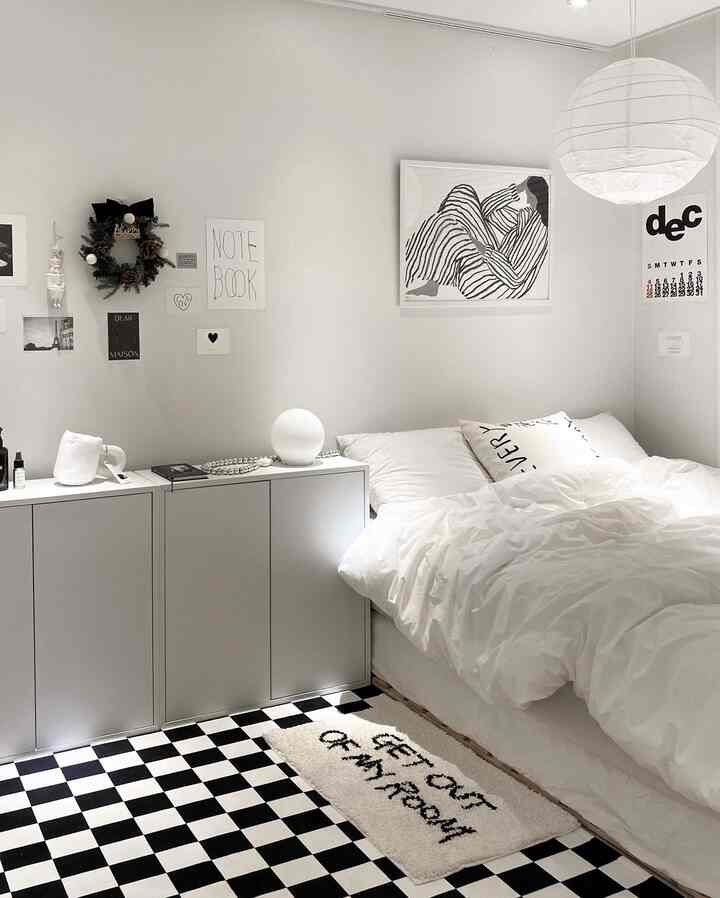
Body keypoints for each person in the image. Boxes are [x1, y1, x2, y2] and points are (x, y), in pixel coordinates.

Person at [405, 177, 549, 301]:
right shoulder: (530, 215)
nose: (528, 202)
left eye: (530, 198)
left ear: (540, 199)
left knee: (449, 226)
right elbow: (485, 210)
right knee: (462, 193)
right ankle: (433, 283)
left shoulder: (540, 231)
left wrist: (482, 248)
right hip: (495, 262)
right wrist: (517, 189)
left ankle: (410, 273)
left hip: (492, 282)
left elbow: (515, 277)